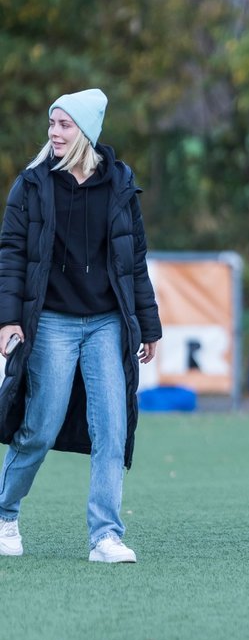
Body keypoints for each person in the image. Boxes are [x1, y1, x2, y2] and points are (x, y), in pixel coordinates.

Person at [0, 89, 162, 562]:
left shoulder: (120, 184)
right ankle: (5, 515)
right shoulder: (31, 185)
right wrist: (8, 320)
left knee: (112, 427)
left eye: (64, 124)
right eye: (52, 123)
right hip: (50, 322)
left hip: (108, 324)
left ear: (86, 130)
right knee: (40, 427)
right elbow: (11, 255)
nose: (53, 132)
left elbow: (135, 262)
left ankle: (105, 536)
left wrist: (148, 325)